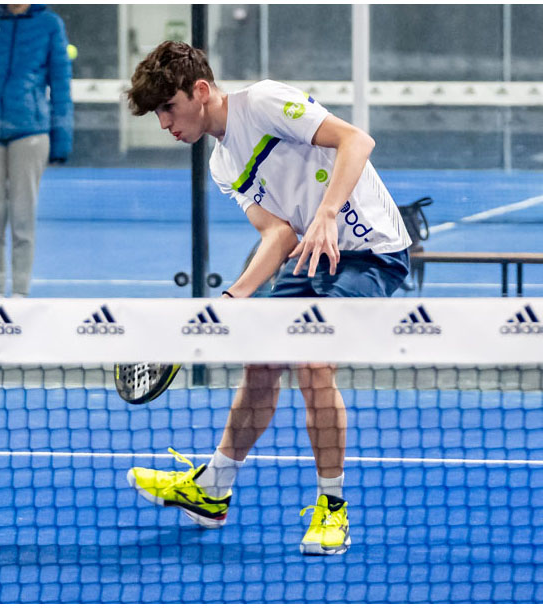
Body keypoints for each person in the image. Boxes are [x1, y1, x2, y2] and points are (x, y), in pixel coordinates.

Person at [124, 41, 412, 556]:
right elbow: (278, 235)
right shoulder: (222, 164)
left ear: (201, 90)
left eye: (169, 107)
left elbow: (356, 140)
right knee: (261, 362)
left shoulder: (263, 102)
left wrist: (326, 213)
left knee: (313, 361)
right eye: (157, 114)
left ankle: (332, 508)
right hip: (310, 255)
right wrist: (231, 299)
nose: (165, 123)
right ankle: (212, 489)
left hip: (370, 251)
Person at [0, 4, 73, 298]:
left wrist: (61, 138)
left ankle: (20, 293)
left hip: (30, 133)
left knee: (23, 218)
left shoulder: (50, 24)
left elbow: (60, 84)